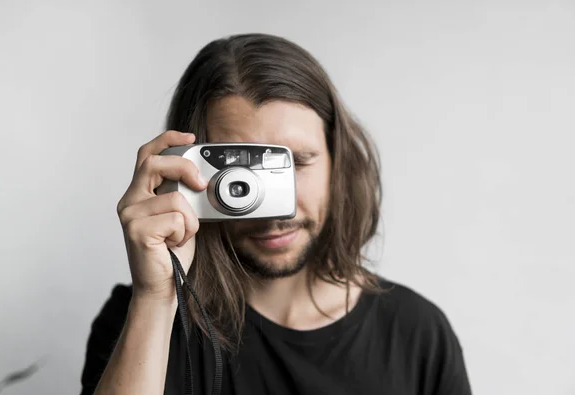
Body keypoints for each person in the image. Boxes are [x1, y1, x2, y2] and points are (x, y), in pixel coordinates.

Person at [80, 33, 472, 395]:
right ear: (186, 169)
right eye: (238, 177)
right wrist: (157, 298)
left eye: (296, 162)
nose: (271, 210)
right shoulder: (142, 319)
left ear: (339, 161)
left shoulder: (416, 333)